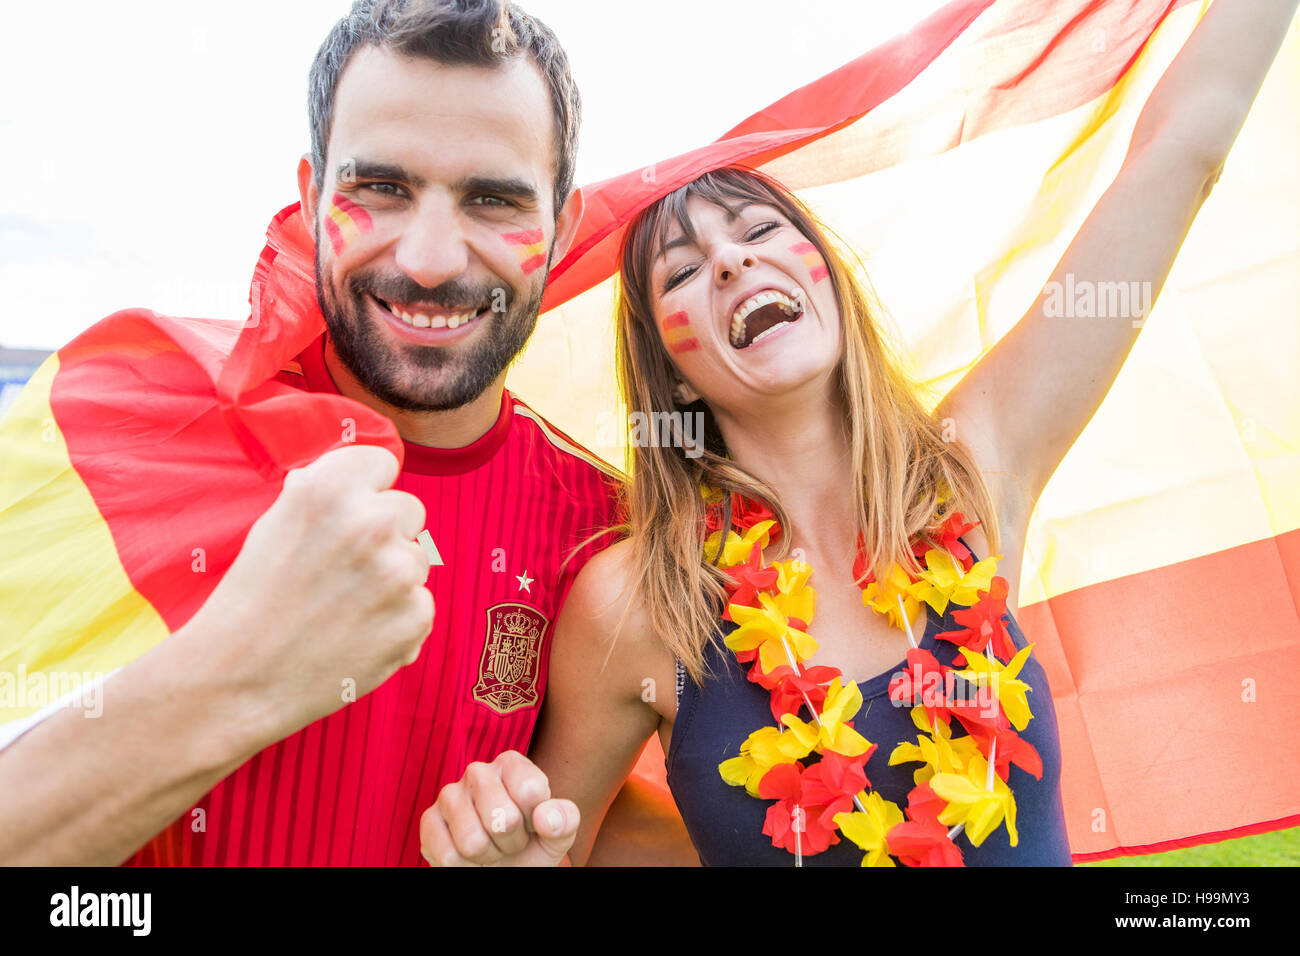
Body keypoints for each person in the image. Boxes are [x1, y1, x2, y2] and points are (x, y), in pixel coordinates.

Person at [421, 0, 1300, 865]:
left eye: (763, 229)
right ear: (672, 371)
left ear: (828, 280)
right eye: (684, 270)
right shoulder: (636, 603)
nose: (732, 260)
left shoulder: (975, 466)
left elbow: (1182, 153)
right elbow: (559, 845)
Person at [0, 0, 660, 866]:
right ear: (312, 200)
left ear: (564, 229)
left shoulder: (609, 529)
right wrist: (241, 675)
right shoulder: (120, 425)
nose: (429, 260)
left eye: (494, 200)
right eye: (380, 189)